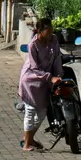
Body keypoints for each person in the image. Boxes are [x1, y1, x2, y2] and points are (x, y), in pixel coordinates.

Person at [18, 17, 63, 152]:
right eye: (48, 31)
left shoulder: (53, 40)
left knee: (42, 113)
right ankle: (27, 145)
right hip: (31, 81)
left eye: (51, 30)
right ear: (40, 31)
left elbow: (57, 58)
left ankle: (28, 139)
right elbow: (34, 68)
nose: (50, 34)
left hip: (45, 81)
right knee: (30, 111)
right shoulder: (33, 45)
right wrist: (50, 77)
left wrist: (59, 74)